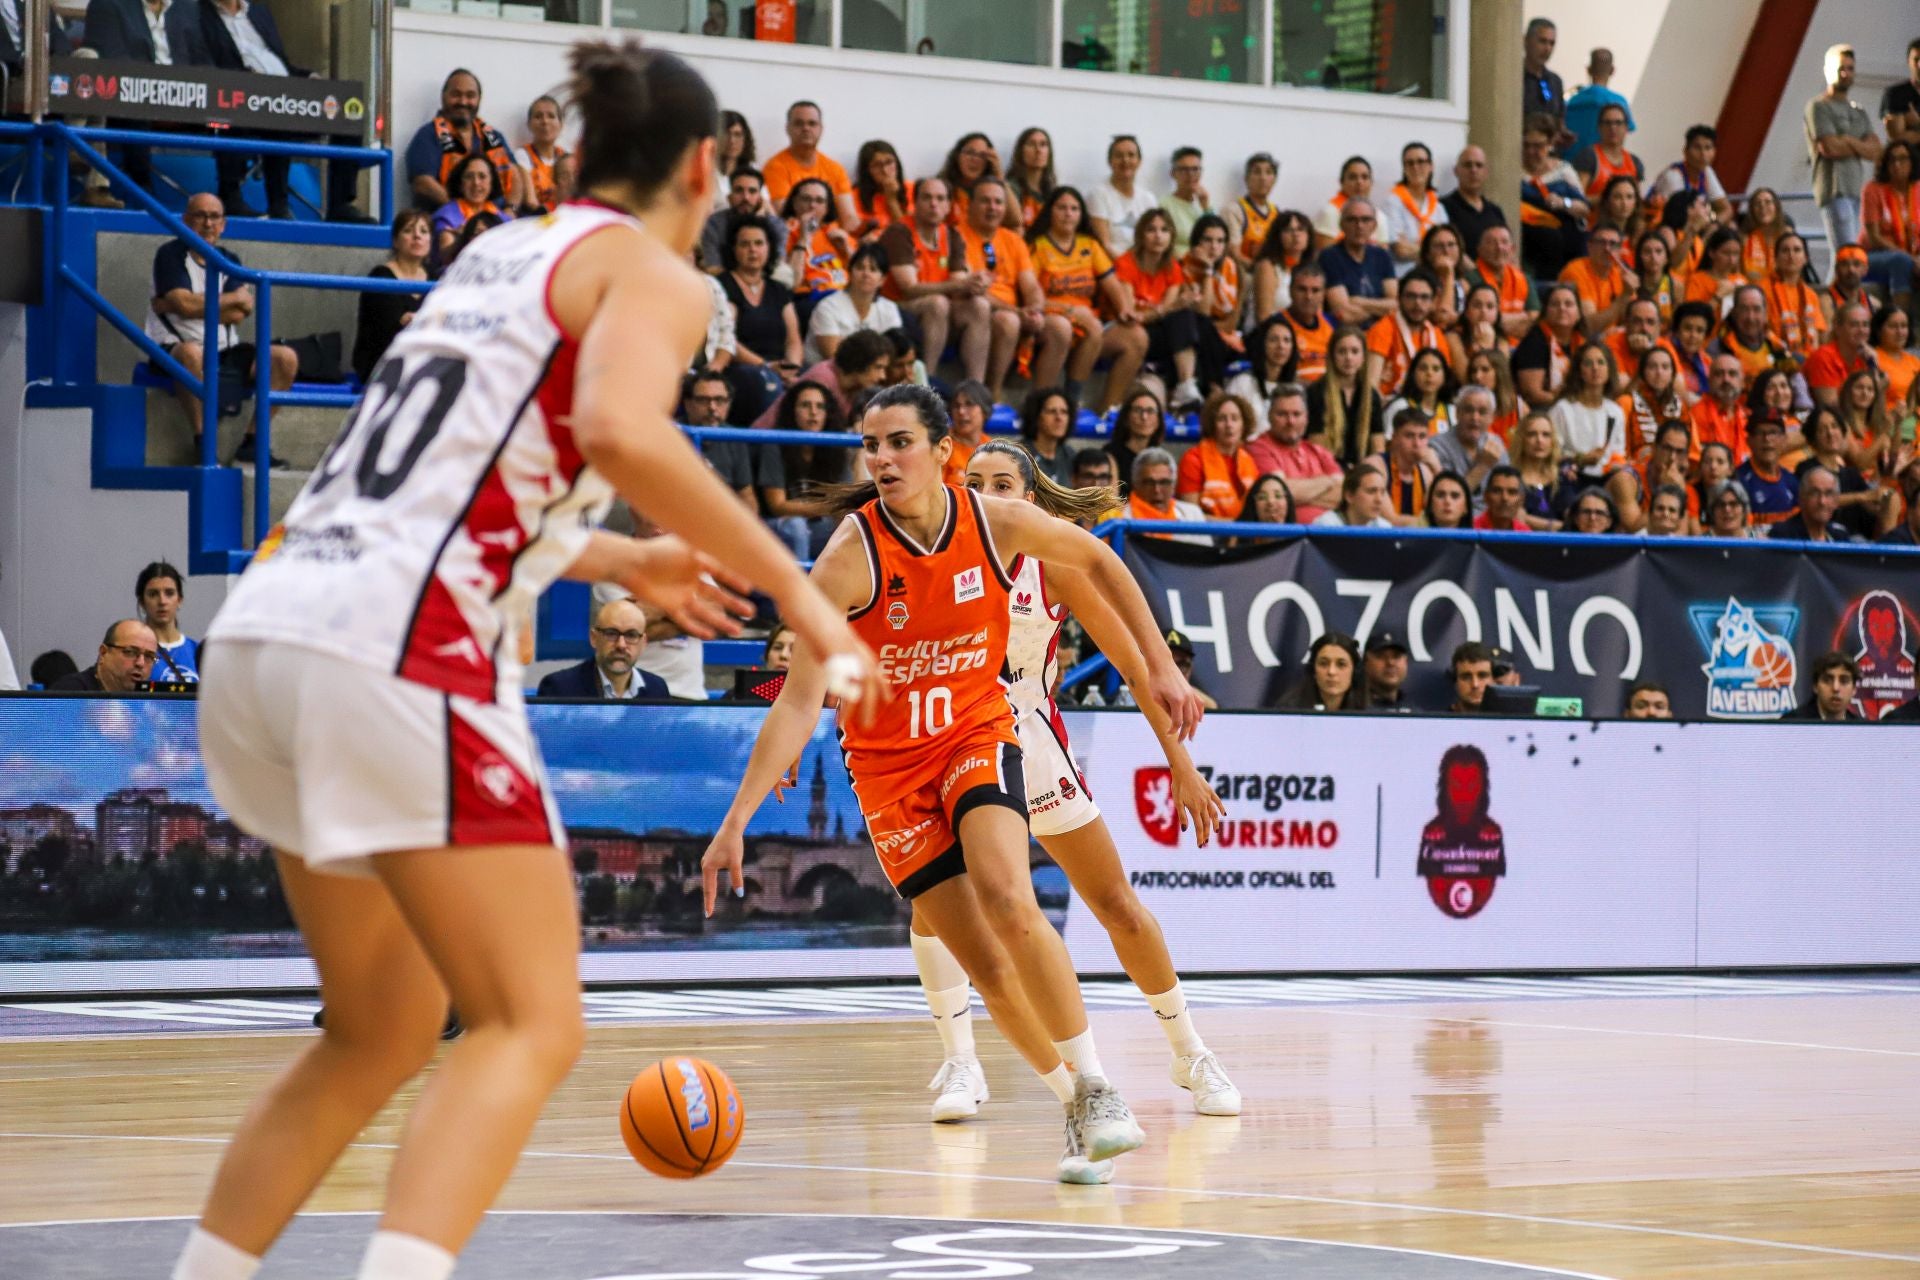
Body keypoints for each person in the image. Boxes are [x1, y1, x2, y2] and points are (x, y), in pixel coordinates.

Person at [180, 43, 887, 1280]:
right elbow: (620, 426)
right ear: (707, 166)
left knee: (381, 1026)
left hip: (267, 625)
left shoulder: (491, 257)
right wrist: (795, 591)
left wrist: (619, 561)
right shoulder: (656, 276)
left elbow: (433, 485)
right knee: (530, 1018)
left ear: (576, 157)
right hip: (394, 645)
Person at [707, 385, 1201, 1184]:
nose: (880, 459)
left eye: (898, 441)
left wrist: (1164, 666)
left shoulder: (994, 521)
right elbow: (799, 696)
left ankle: (1101, 1087)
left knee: (1009, 897)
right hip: (888, 770)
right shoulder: (848, 554)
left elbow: (1100, 555)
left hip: (977, 731)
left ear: (944, 452)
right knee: (985, 966)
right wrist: (737, 819)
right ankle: (1073, 1101)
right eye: (870, 445)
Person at [910, 441, 1238, 1127]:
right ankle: (961, 1059)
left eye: (1005, 483)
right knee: (937, 909)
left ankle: (1189, 1049)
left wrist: (1181, 764)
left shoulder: (1052, 563)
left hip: (1030, 746)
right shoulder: (919, 559)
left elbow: (1138, 667)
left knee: (1117, 904)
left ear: (1030, 498)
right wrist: (779, 695)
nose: (990, 494)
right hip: (947, 746)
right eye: (975, 483)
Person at [145, 192, 298, 468]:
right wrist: (216, 302)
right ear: (185, 221)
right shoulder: (170, 254)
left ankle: (251, 442)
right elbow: (185, 304)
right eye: (200, 216)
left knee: (284, 358)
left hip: (224, 347)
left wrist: (183, 304)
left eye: (214, 217)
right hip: (176, 347)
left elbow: (240, 313)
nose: (207, 224)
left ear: (224, 224)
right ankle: (203, 441)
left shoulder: (229, 259)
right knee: (191, 353)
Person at [1026, 185, 1148, 410]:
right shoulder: (1037, 247)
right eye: (1061, 207)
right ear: (1049, 211)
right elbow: (1030, 297)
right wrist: (1069, 311)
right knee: (1068, 327)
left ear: (1081, 215)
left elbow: (1111, 283)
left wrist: (1124, 309)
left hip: (1087, 325)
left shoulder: (1089, 245)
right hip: (1051, 320)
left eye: (1074, 208)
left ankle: (1105, 410)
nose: (1068, 213)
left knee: (1137, 337)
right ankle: (1042, 405)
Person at [83, 0, 210, 203]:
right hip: (133, 90)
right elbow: (111, 58)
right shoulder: (107, 4)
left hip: (187, 90)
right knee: (137, 96)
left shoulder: (188, 7)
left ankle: (234, 193)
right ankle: (142, 187)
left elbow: (201, 58)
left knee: (238, 107)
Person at [880, 176, 989, 384]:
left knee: (979, 306)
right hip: (896, 305)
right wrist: (960, 284)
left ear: (948, 206)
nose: (933, 204)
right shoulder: (900, 232)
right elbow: (908, 287)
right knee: (937, 303)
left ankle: (976, 386)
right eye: (927, 197)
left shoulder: (951, 235)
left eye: (940, 199)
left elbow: (958, 283)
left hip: (937, 306)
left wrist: (975, 284)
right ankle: (926, 379)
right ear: (916, 202)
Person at [957, 177, 1057, 402]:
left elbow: (1030, 285)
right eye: (985, 201)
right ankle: (993, 394)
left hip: (1013, 311)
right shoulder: (957, 236)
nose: (993, 208)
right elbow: (974, 290)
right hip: (975, 310)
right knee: (1007, 321)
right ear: (969, 205)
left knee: (1060, 327)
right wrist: (1017, 312)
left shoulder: (1013, 240)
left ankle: (1043, 403)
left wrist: (1035, 310)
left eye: (998, 202)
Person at [1115, 208, 1208, 410]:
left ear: (1172, 236)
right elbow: (1132, 316)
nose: (1158, 236)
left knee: (1192, 320)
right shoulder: (1126, 263)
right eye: (1151, 230)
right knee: (1181, 317)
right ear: (1141, 234)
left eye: (1164, 230)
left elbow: (1168, 310)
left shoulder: (1173, 267)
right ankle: (1187, 389)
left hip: (1161, 331)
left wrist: (1181, 303)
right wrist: (1172, 308)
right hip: (1130, 332)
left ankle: (1187, 387)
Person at [403, 68, 526, 214]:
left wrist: (510, 210)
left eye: (470, 96)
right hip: (448, 223)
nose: (463, 102)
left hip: (494, 222)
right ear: (443, 97)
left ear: (479, 99)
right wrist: (464, 212)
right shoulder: (428, 135)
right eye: (456, 95)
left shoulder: (493, 136)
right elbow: (422, 183)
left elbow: (515, 174)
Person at [1806, 44, 1884, 267]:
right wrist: (1858, 143)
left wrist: (1846, 140)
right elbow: (1830, 147)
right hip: (1834, 187)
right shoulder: (1818, 107)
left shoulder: (1857, 110)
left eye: (1850, 68)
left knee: (1847, 256)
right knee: (1846, 255)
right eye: (1841, 68)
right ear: (1828, 70)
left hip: (1854, 188)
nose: (1845, 73)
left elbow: (1876, 151)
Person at [719, 215, 802, 422]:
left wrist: (791, 369)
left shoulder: (778, 290)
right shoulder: (723, 286)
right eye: (745, 244)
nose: (753, 250)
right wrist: (766, 366)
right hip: (741, 369)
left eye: (759, 243)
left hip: (778, 369)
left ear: (769, 248)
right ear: (733, 249)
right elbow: (727, 339)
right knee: (763, 382)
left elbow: (793, 339)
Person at [757, 379, 854, 557]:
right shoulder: (775, 443)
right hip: (781, 528)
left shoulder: (837, 447)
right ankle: (800, 584)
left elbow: (846, 502)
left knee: (853, 528)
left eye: (820, 406)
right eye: (805, 405)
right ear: (792, 411)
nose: (813, 412)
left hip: (820, 526)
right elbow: (778, 505)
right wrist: (828, 507)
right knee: (796, 526)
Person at [754, 320, 893, 430]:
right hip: (767, 445)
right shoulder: (822, 378)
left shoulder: (855, 388)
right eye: (878, 367)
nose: (882, 376)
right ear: (860, 361)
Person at [353, 210, 434, 383]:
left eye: (424, 231)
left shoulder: (435, 279)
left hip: (422, 365)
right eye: (408, 230)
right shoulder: (380, 276)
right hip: (383, 363)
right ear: (396, 241)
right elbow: (391, 326)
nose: (417, 236)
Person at [535, 598, 671, 699]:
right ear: (594, 638)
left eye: (631, 635)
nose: (621, 645)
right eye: (611, 633)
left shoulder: (657, 689)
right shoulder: (560, 687)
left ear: (643, 643)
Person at [1244, 383, 1343, 521]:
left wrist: (1299, 495)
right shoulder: (1259, 448)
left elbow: (1345, 495)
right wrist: (1327, 481)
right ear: (1269, 417)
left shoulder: (1319, 451)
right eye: (1282, 414)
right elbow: (1280, 493)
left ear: (1306, 418)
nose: (1290, 421)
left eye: (1296, 414)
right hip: (1289, 537)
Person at [762, 100, 857, 228]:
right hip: (797, 238)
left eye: (812, 124)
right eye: (799, 123)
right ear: (787, 129)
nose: (806, 128)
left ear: (821, 129)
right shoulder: (775, 167)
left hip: (835, 239)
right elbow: (786, 216)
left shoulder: (835, 168)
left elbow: (849, 218)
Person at [803, 244, 902, 365]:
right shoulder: (828, 307)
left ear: (882, 280)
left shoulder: (889, 308)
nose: (866, 274)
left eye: (873, 269)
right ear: (850, 273)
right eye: (860, 268)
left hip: (873, 375)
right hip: (829, 375)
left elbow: (896, 354)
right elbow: (834, 358)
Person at [1519, 114, 1590, 281]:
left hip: (1563, 242)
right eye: (1526, 145)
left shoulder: (1563, 171)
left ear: (1550, 145)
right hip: (1529, 241)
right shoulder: (1515, 170)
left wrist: (1562, 202)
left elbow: (1584, 208)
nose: (1531, 152)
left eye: (1538, 146)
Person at [782, 176, 854, 329]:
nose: (812, 205)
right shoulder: (784, 233)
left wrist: (847, 250)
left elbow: (864, 274)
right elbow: (792, 283)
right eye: (806, 199)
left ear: (827, 208)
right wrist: (803, 238)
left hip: (846, 295)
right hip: (809, 298)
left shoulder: (836, 234)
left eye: (819, 201)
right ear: (795, 203)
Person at [1178, 392, 1261, 519]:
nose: (1229, 425)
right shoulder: (1193, 459)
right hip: (1207, 535)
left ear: (1244, 424)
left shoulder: (1248, 461)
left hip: (1245, 533)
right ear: (1212, 424)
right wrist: (1234, 526)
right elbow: (1190, 516)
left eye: (1235, 418)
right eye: (1222, 419)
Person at [1307, 326, 1382, 466]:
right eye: (1342, 351)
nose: (1348, 357)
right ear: (1332, 356)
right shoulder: (1316, 392)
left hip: (1362, 472)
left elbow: (1378, 449)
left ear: (1363, 357)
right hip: (1327, 472)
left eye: (1354, 351)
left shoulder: (1372, 395)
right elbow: (1317, 450)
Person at [1365, 272, 1445, 400]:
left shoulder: (1436, 335)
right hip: (1389, 405)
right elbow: (1370, 386)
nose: (1417, 303)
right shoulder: (1383, 329)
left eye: (1424, 297)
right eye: (1410, 296)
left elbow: (1444, 384)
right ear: (1398, 298)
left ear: (1433, 302)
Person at [1318, 198, 1399, 325]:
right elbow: (1344, 314)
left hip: (1383, 333)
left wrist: (1357, 301)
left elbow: (1396, 305)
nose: (1359, 226)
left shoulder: (1382, 255)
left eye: (1365, 220)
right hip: (1347, 335)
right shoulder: (1329, 257)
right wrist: (1381, 309)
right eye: (1352, 220)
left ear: (1374, 226)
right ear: (1341, 225)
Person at [699, 167, 786, 280]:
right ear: (729, 197)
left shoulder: (775, 225)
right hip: (726, 283)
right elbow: (713, 266)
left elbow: (776, 264)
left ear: (760, 198)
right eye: (739, 191)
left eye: (752, 191)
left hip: (765, 283)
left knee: (784, 274)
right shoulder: (714, 223)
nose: (745, 197)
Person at [432, 153, 512, 266]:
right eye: (469, 176)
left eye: (482, 176)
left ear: (491, 183)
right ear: (460, 184)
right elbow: (446, 258)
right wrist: (464, 237)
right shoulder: (446, 216)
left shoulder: (504, 220)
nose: (476, 183)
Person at [1429, 384, 1507, 499]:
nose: (1475, 418)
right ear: (1457, 413)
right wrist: (1483, 465)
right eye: (1469, 410)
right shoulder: (1437, 446)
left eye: (1482, 412)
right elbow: (1451, 499)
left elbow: (1508, 491)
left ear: (1491, 417)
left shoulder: (1496, 443)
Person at [1513, 284, 1583, 410]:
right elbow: (1532, 394)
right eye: (1555, 304)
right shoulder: (1534, 342)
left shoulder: (1584, 342)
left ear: (1579, 313)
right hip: (1539, 410)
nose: (1562, 308)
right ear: (1545, 312)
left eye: (1568, 304)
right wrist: (1572, 404)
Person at [1382, 142, 1449, 273]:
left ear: (1431, 166)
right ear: (1404, 168)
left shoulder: (1438, 207)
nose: (1415, 167)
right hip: (1404, 274)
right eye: (1410, 163)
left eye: (1421, 162)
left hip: (1435, 273)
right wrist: (1433, 250)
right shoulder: (1393, 203)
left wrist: (1415, 248)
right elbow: (1400, 250)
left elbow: (1446, 248)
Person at [1087, 134, 1158, 258]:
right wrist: (1129, 268)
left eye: (1131, 155)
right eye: (1119, 156)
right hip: (1115, 266)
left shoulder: (1149, 199)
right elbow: (1105, 245)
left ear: (1139, 161)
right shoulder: (1098, 195)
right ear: (1110, 162)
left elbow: (1156, 241)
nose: (1125, 160)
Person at [1647, 124, 1732, 226]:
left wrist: (1713, 225)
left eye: (1708, 148)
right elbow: (1675, 218)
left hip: (1690, 226)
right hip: (1660, 226)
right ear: (1685, 151)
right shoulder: (1673, 176)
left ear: (1714, 152)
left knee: (1730, 227)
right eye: (1697, 147)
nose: (1703, 153)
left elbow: (1727, 209)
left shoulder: (1707, 171)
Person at [1442, 147, 1509, 277]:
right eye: (1468, 165)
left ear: (1486, 172)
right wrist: (1477, 276)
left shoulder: (1495, 211)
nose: (1473, 170)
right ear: (1456, 171)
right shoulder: (1444, 207)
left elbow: (1507, 248)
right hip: (1463, 278)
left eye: (1479, 165)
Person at [1561, 223, 1636, 337]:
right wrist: (1625, 295)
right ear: (1589, 247)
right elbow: (1589, 326)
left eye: (1613, 244)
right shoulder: (1576, 271)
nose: (1607, 249)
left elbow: (1634, 317)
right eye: (1601, 242)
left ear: (1620, 250)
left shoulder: (1620, 273)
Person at [1763, 232, 1827, 363]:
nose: (1791, 255)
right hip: (1776, 356)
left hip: (1808, 360)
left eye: (1797, 250)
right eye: (1785, 250)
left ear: (1805, 258)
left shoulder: (1811, 295)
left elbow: (1817, 335)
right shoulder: (1762, 289)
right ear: (1775, 258)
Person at [1127, 447, 1212, 544]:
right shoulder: (1120, 518)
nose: (1157, 490)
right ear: (1135, 484)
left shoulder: (1193, 514)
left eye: (1164, 482)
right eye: (1149, 482)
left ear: (1174, 485)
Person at [1571, 103, 1645, 214]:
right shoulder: (1589, 156)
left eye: (1618, 123)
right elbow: (1577, 198)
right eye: (1607, 123)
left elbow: (1637, 203)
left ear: (1626, 128)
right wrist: (1608, 199)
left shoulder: (1635, 162)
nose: (1613, 127)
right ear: (1599, 127)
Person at [1225, 313, 1299, 423]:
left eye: (1286, 340)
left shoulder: (1296, 389)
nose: (1281, 346)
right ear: (1262, 344)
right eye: (1274, 339)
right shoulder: (1242, 383)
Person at [1472, 224, 1539, 344]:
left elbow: (1534, 317)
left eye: (1504, 242)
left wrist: (1497, 321)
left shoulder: (1524, 279)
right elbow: (1475, 322)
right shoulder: (1469, 280)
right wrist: (1523, 317)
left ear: (1513, 249)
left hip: (1521, 346)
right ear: (1479, 249)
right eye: (1492, 242)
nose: (1499, 247)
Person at [49, 619, 157, 692]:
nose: (140, 663)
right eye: (130, 652)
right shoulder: (70, 693)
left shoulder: (151, 704)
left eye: (149, 656)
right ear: (103, 653)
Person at [1805, 303, 1877, 410]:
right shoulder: (1823, 357)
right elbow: (1832, 407)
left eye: (1865, 325)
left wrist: (1873, 366)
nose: (1861, 330)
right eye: (1854, 325)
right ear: (1838, 329)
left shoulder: (1866, 357)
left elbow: (1875, 404)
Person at [136, 560, 200, 682]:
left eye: (169, 593)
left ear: (179, 600)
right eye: (153, 594)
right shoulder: (135, 652)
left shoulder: (197, 652)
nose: (162, 601)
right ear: (142, 602)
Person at [1251, 210, 1317, 326]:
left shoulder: (1313, 269)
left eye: (1301, 229)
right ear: (1277, 236)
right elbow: (1263, 316)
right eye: (1288, 230)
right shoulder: (1267, 266)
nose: (1296, 234)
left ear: (1309, 236)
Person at [1565, 48, 1635, 155]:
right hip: (1600, 165)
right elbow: (1627, 130)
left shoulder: (1571, 100)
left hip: (1570, 162)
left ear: (1588, 69)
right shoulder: (1619, 103)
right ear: (1612, 70)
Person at [1513, 412, 1576, 529]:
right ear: (1522, 439)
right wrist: (1555, 526)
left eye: (1546, 435)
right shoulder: (1511, 477)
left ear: (1552, 441)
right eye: (1532, 434)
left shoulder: (1562, 477)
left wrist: (1528, 520)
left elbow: (1574, 522)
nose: (1539, 440)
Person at [1312, 155, 1387, 251]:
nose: (1359, 182)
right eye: (1353, 177)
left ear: (1371, 183)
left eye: (1365, 177)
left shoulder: (1380, 216)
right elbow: (1324, 257)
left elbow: (1383, 256)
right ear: (1341, 182)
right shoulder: (1330, 213)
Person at [511, 94, 570, 214]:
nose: (545, 121)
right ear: (529, 124)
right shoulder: (523, 155)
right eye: (538, 116)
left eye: (551, 116)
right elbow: (531, 202)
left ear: (561, 124)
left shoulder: (566, 158)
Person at [1735, 418, 1799, 528]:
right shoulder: (1738, 481)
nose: (1767, 439)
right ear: (1749, 440)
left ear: (1784, 440)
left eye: (1773, 432)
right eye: (1760, 433)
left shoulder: (1792, 482)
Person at [1223, 152, 1279, 274]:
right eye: (1257, 172)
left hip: (1274, 272)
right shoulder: (1234, 210)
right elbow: (1234, 253)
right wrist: (1263, 271)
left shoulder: (1277, 213)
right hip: (1246, 273)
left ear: (1274, 179)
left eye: (1268, 172)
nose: (1263, 178)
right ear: (1246, 178)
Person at [1769, 465, 1855, 542]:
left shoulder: (1840, 535)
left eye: (1828, 494)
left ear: (1836, 501)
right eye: (1814, 493)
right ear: (1801, 498)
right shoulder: (1783, 535)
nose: (1822, 501)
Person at [1106, 386, 1166, 494]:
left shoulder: (1161, 457)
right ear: (1126, 418)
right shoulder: (1110, 454)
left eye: (1150, 411)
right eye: (1138, 410)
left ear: (1158, 421)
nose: (1144, 417)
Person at [1284, 632, 1367, 711]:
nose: (1331, 672)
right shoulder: (1288, 711)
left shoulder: (1371, 714)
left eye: (1341, 664)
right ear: (1313, 670)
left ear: (1355, 671)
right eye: (1323, 664)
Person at [1280, 261, 1334, 381]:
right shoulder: (1277, 325)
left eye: (1315, 291)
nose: (1309, 296)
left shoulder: (1331, 324)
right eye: (1302, 289)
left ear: (1323, 295)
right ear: (1290, 290)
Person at [850, 140, 912, 240]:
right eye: (877, 165)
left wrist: (892, 200)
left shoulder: (911, 189)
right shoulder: (854, 196)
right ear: (867, 170)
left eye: (889, 162)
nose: (885, 170)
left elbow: (909, 234)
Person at [937, 132, 1001, 228]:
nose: (974, 159)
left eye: (982, 155)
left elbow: (1016, 221)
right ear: (957, 156)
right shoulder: (940, 187)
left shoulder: (991, 193)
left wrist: (998, 176)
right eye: (970, 153)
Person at [1521, 17, 1568, 145]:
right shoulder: (1516, 79)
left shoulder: (1555, 81)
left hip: (1548, 152)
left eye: (1551, 43)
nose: (1547, 48)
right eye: (1542, 41)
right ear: (1526, 41)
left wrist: (1562, 133)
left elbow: (1559, 119)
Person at [1018, 387, 1078, 486]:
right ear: (1036, 416)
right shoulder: (1019, 453)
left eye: (1064, 412)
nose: (1059, 417)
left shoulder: (1069, 455)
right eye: (1052, 411)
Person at [1784, 651, 1864, 721]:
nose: (1836, 688)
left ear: (1854, 689)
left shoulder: (1861, 729)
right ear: (1815, 686)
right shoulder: (1792, 723)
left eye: (1844, 681)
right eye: (1827, 680)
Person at [1159, 146, 1210, 254]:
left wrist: (1206, 208)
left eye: (1195, 169)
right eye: (1184, 169)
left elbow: (1215, 238)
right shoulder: (1164, 205)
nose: (1190, 174)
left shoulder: (1203, 204)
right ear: (1173, 173)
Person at [1871, 305, 1920, 416]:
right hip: (1888, 421)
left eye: (1904, 326)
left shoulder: (1915, 361)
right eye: (1893, 326)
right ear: (1878, 331)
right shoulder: (1872, 359)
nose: (1900, 332)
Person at [1005, 127, 1057, 231]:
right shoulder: (1011, 188)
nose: (1038, 150)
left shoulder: (1053, 192)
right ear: (1021, 152)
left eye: (1043, 145)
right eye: (1031, 144)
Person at [1419, 224, 1469, 330]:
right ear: (1427, 254)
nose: (1446, 251)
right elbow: (1443, 319)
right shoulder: (1419, 282)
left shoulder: (1464, 285)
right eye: (1439, 246)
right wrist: (1449, 274)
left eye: (1451, 245)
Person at [1311, 462, 1392, 528]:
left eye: (1382, 492)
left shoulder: (1384, 528)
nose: (1379, 500)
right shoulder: (1326, 526)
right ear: (1349, 496)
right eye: (1371, 491)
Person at [945, 379, 993, 484]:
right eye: (957, 406)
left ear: (984, 411)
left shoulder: (993, 449)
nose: (961, 411)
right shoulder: (942, 445)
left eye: (969, 404)